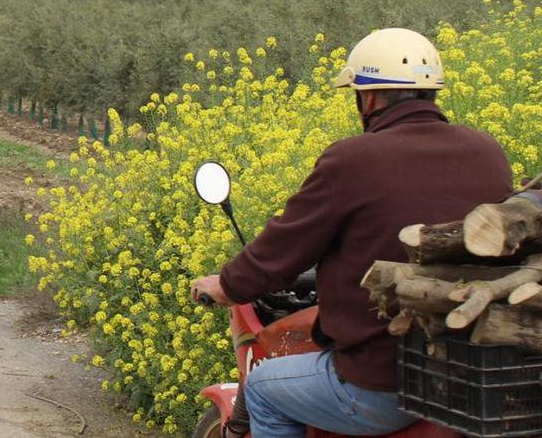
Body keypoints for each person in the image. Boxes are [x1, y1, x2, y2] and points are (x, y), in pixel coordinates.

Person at [190, 28, 515, 437]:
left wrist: (227, 285)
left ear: (370, 97)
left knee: (261, 389)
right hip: (469, 369)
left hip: (385, 384)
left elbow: (283, 248)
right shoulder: (486, 151)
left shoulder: (353, 160)